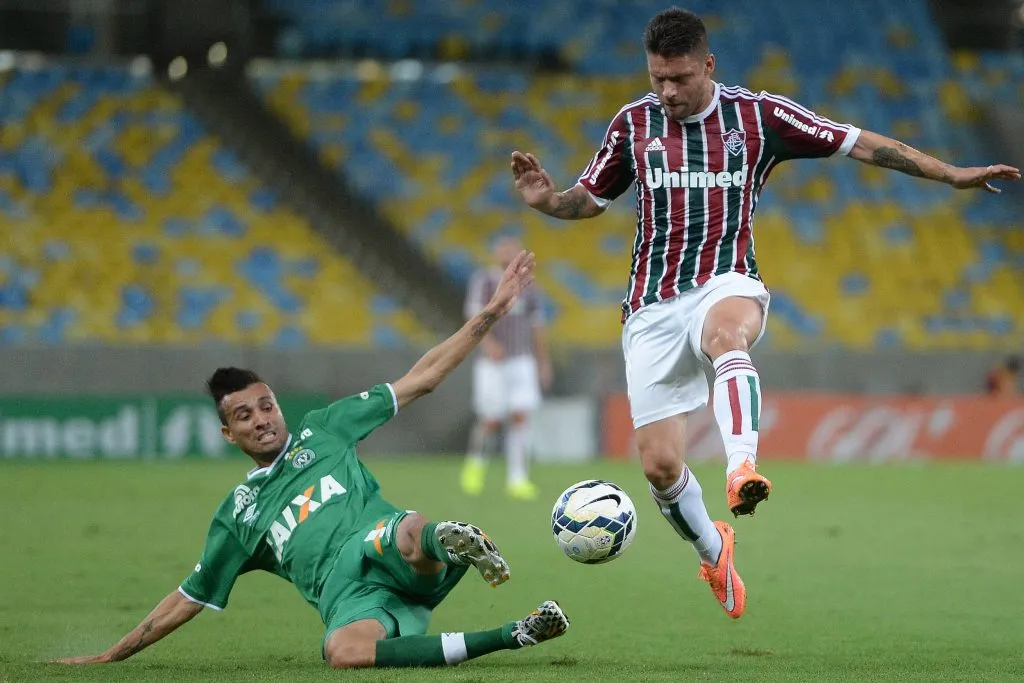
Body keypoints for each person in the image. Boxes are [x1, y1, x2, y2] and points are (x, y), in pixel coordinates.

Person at [509, 7, 1021, 620]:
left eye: (679, 78)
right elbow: (588, 201)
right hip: (650, 304)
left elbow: (860, 143)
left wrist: (952, 174)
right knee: (660, 466)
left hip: (728, 279)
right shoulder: (633, 125)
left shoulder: (758, 117)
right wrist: (547, 202)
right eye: (657, 79)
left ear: (709, 65)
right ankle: (712, 547)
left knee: (729, 335)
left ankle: (741, 466)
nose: (667, 91)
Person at [54, 250, 570, 670]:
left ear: (278, 406)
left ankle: (451, 541)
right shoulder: (239, 514)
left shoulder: (321, 430)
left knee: (406, 530)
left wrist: (492, 313)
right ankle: (512, 635)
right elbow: (189, 597)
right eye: (244, 415)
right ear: (228, 433)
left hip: (387, 547)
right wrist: (110, 655)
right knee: (343, 653)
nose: (261, 419)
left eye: (266, 405)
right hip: (352, 598)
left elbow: (423, 378)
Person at [460, 234, 553, 501]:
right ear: (495, 253)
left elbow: (537, 326)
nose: (507, 253)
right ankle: (475, 466)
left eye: (512, 250)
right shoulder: (485, 281)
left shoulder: (529, 287)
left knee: (521, 417)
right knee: (490, 419)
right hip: (492, 364)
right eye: (503, 249)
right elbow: (475, 316)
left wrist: (543, 362)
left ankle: (517, 479)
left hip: (521, 360)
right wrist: (488, 345)